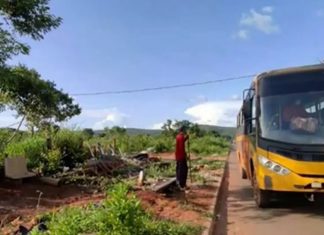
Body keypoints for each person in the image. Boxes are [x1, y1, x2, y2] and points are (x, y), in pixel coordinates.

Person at [175, 126, 189, 190]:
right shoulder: (181, 137)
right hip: (181, 156)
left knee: (179, 169)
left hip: (178, 156)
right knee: (183, 170)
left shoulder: (178, 136)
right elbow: (181, 147)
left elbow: (182, 141)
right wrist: (185, 155)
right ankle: (181, 185)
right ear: (183, 131)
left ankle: (180, 183)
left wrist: (186, 138)